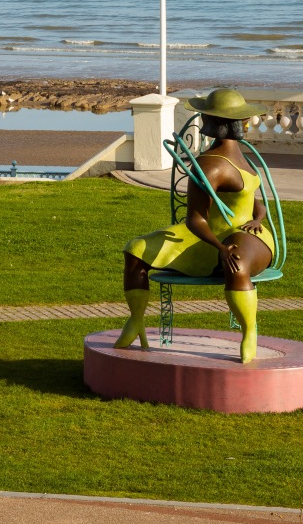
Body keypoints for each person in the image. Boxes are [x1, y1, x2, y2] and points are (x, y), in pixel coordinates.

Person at [116, 88, 276, 362]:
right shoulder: (209, 165)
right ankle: (136, 321)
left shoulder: (242, 157)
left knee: (236, 259)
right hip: (204, 235)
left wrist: (257, 219)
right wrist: (218, 247)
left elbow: (253, 202)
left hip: (247, 234)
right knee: (136, 248)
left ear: (212, 122)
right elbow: (195, 219)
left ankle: (249, 330)